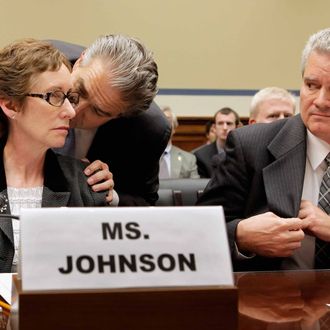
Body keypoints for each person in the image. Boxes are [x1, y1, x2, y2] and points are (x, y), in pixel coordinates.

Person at [197, 27, 330, 271]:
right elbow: (198, 232)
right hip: (269, 301)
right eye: (312, 85)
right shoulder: (251, 146)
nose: (320, 101)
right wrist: (241, 236)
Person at [0, 39, 111, 272]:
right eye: (53, 96)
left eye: (69, 97)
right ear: (11, 105)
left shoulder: (86, 184)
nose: (71, 111)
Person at [51, 37, 171, 206]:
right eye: (80, 90)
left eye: (97, 111)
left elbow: (142, 201)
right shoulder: (39, 64)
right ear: (80, 61)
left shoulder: (147, 129)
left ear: (121, 115)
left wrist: (110, 195)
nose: (73, 110)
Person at [193, 107, 240, 178]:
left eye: (229, 123)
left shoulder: (244, 153)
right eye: (220, 123)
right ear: (214, 128)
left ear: (236, 127)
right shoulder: (201, 156)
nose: (225, 128)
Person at [159, 106, 199, 179]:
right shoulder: (144, 158)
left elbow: (194, 187)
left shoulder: (189, 159)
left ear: (174, 128)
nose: (163, 124)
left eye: (167, 120)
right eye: (159, 120)